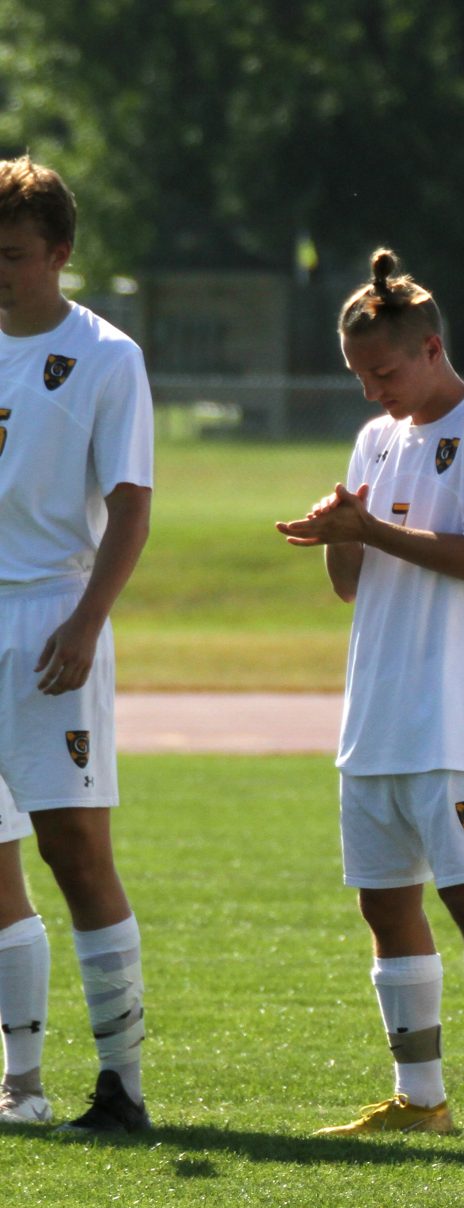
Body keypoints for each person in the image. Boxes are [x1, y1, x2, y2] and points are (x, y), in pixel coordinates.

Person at [277, 250, 464, 1139]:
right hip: (379, 718)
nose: (370, 392)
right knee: (383, 904)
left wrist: (375, 531)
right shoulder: (376, 439)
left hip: (460, 717)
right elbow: (353, 586)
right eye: (358, 376)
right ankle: (420, 1097)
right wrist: (338, 535)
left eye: (382, 371)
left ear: (431, 348)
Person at [0, 156, 155, 1136]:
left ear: (59, 253)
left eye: (12, 255)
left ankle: (122, 1084)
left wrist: (88, 620)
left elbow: (132, 507)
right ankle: (22, 1084)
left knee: (74, 850)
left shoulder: (106, 355)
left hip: (51, 613)